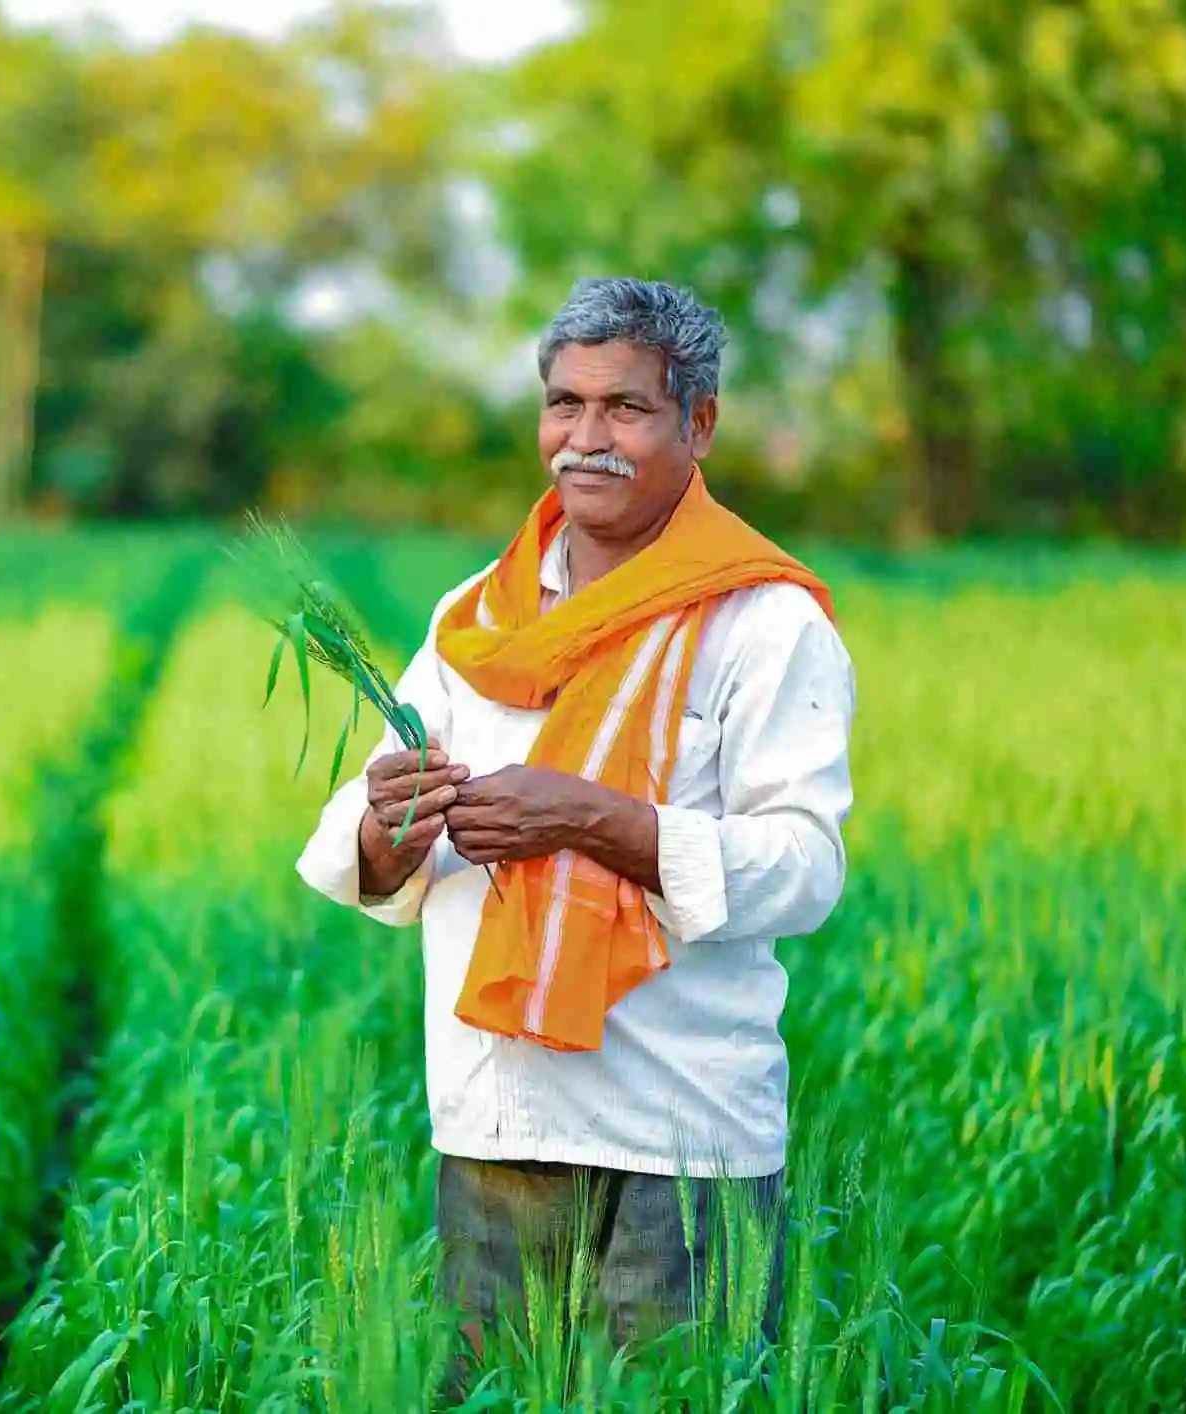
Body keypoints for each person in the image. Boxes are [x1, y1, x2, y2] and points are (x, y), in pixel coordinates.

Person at [294, 277, 857, 1390]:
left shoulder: (762, 621)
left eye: (624, 409)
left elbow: (807, 867)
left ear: (697, 425)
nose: (583, 440)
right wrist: (388, 826)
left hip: (681, 1129)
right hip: (496, 1120)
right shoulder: (478, 614)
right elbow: (358, 831)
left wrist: (607, 825)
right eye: (563, 404)